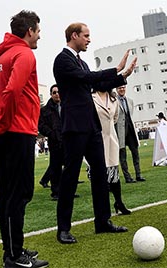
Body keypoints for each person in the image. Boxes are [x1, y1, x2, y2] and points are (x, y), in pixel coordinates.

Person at [53, 22, 137, 244]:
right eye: (86, 36)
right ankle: (63, 229)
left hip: (91, 126)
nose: (89, 40)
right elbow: (87, 79)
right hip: (74, 127)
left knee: (100, 173)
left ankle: (103, 221)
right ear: (74, 36)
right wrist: (116, 68)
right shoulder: (63, 60)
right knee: (70, 177)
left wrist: (123, 75)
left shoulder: (81, 62)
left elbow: (97, 83)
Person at [0, 10, 48, 268]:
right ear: (29, 30)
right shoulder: (24, 54)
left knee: (8, 193)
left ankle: (12, 249)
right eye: (38, 31)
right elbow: (13, 90)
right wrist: (1, 121)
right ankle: (14, 256)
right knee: (19, 193)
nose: (40, 36)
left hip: (5, 132)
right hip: (18, 132)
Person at [92, 89, 131, 215]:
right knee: (99, 176)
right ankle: (102, 209)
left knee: (114, 174)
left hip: (111, 138)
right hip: (96, 139)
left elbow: (115, 118)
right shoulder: (91, 97)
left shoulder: (114, 99)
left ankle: (119, 202)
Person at [115, 85, 146, 183]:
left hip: (131, 130)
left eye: (123, 87)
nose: (122, 89)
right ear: (116, 89)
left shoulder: (130, 101)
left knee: (135, 153)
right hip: (120, 131)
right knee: (122, 156)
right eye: (120, 88)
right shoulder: (114, 101)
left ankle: (138, 175)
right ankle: (127, 177)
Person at [38, 84, 63, 201]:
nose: (57, 94)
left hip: (68, 141)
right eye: (54, 92)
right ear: (51, 94)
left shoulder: (67, 105)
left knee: (69, 168)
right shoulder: (44, 110)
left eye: (58, 91)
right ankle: (56, 192)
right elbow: (41, 125)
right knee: (55, 168)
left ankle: (68, 191)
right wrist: (51, 133)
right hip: (54, 142)